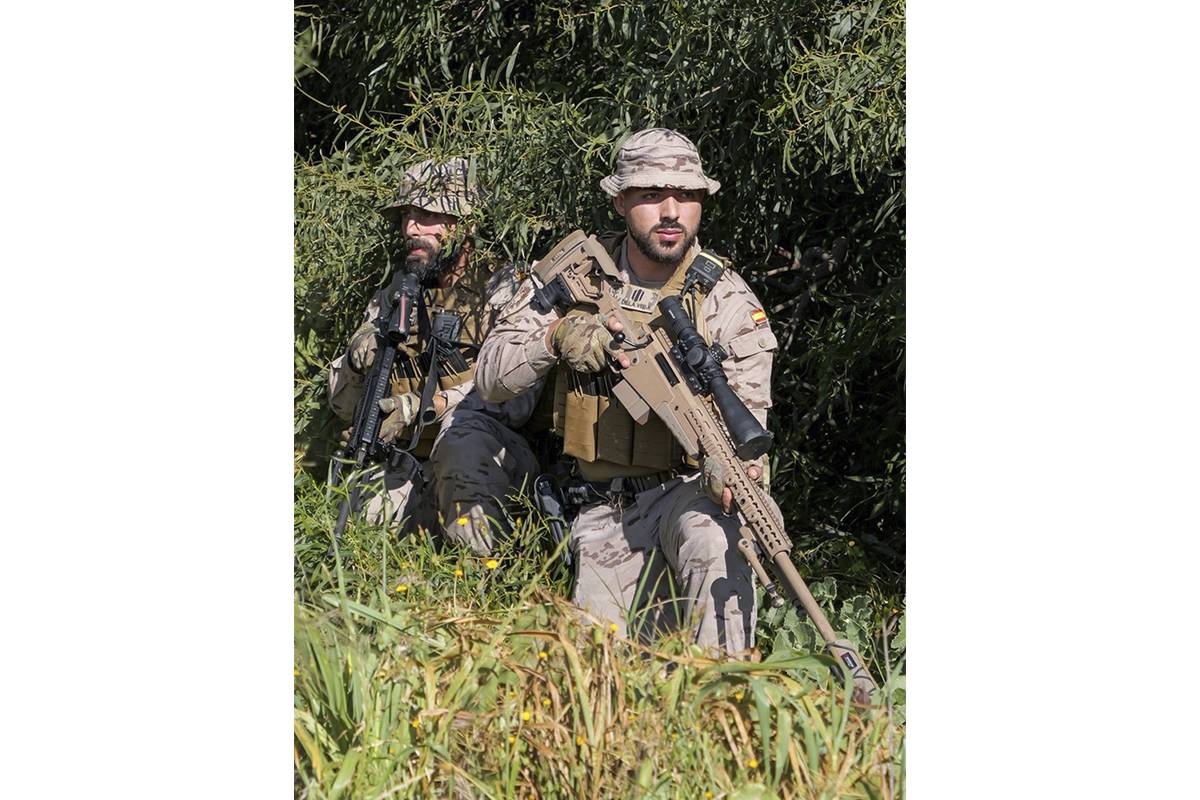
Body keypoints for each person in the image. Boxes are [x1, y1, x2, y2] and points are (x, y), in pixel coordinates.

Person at [474, 129, 780, 654]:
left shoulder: (726, 301)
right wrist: (555, 336)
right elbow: (491, 378)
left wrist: (740, 475)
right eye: (650, 195)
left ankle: (726, 702)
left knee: (718, 540)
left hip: (688, 494)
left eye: (686, 196)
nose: (670, 211)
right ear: (619, 200)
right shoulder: (574, 278)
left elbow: (748, 426)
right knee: (600, 675)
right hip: (602, 508)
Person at [328, 157, 540, 555]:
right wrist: (358, 364)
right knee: (363, 529)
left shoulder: (508, 289)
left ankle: (483, 585)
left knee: (463, 443)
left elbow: (517, 401)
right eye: (409, 214)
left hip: (487, 462)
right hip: (408, 461)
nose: (412, 228)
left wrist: (424, 406)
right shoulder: (396, 294)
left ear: (465, 225)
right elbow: (343, 407)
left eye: (428, 215)